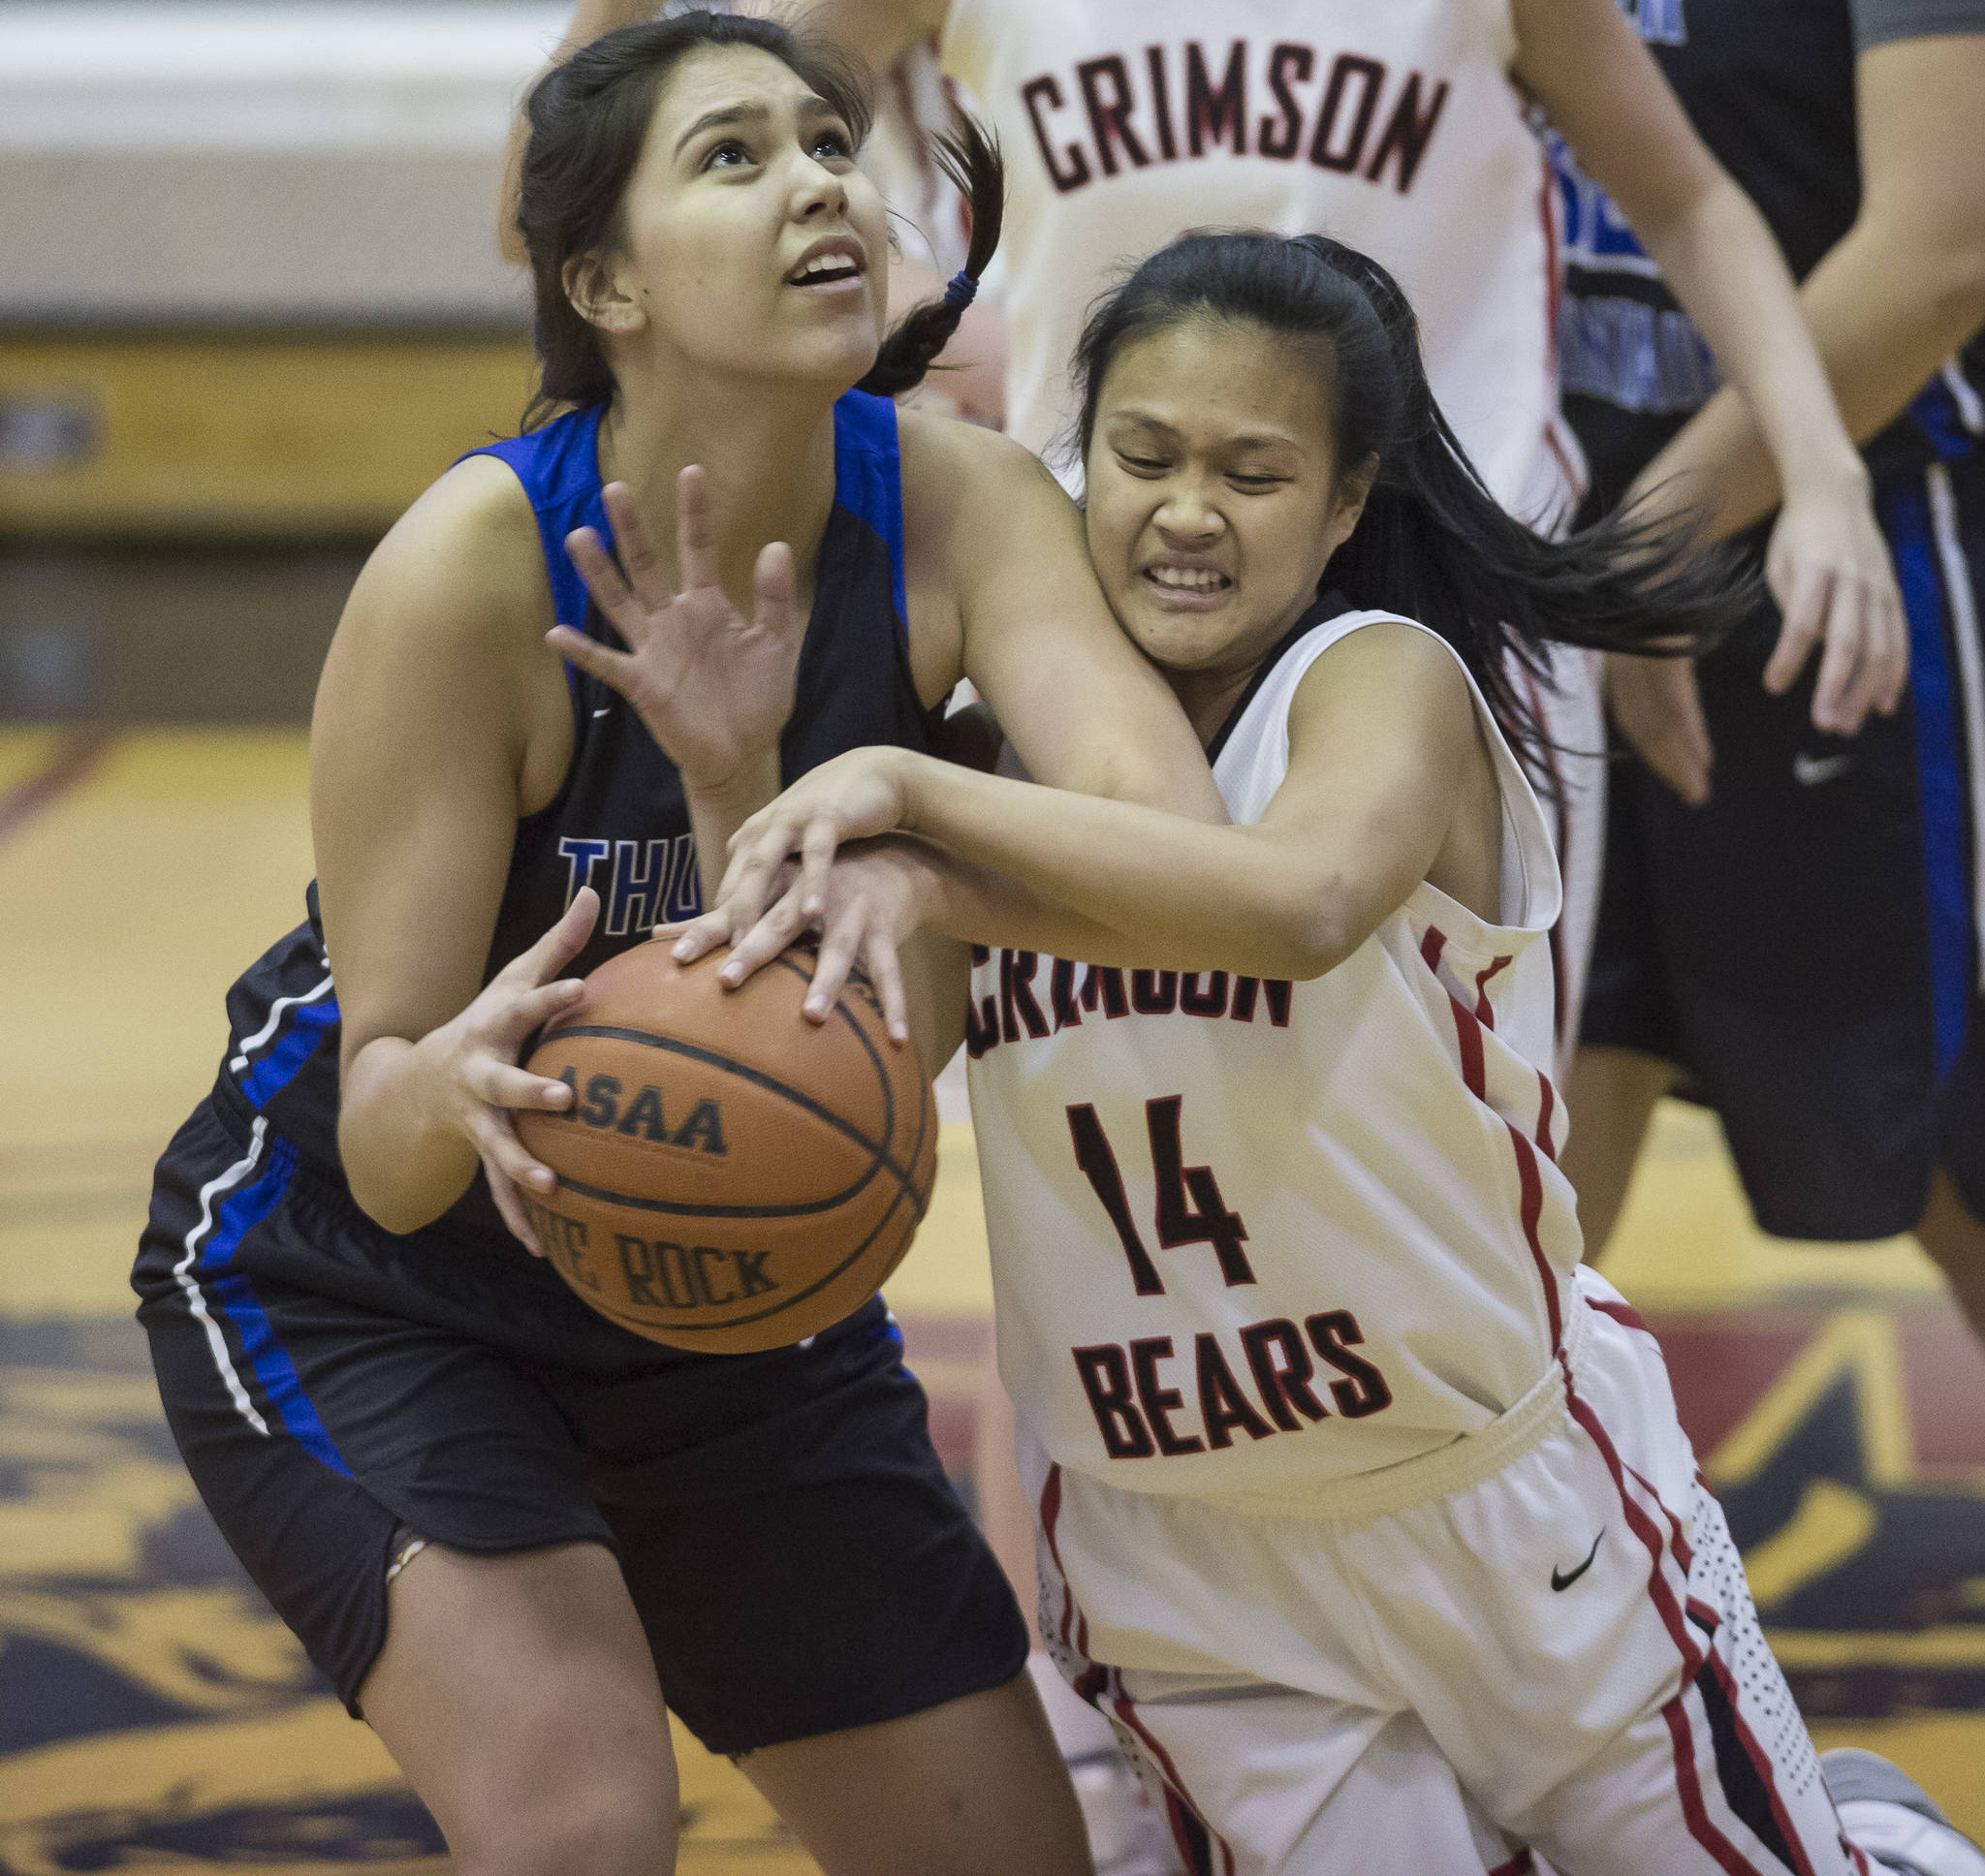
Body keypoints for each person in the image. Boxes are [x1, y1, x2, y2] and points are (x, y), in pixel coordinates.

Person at [674, 231, 1984, 1876]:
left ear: (1349, 502)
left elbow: (1298, 905)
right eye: (1142, 455)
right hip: (1185, 1553)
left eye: (1255, 469)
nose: (1188, 509)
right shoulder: (1002, 757)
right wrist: (741, 780)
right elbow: (864, 1060)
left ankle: (1876, 1841)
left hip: (1498, 1503)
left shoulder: (1378, 685)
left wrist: (913, 799)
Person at [130, 8, 1239, 1876]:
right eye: (733, 156)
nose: (816, 177)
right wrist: (471, 1083)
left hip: (726, 1289)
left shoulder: (962, 506)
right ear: (605, 282)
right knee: (580, 1823)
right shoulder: (473, 571)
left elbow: (1176, 856)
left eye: (828, 139)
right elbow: (397, 1136)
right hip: (367, 1283)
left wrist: (820, 801)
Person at [534, 0, 1905, 1068]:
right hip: (1111, 594)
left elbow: (1687, 200)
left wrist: (1825, 475)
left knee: (1474, 1125)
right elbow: (614, 186)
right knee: (1098, 1150)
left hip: (1431, 586)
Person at [1548, 0, 1985, 1337]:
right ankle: (1497, 1558)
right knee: (1529, 1132)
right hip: (1537, 565)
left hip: (1849, 562)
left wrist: (1656, 535)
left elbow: (1941, 252)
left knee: (1943, 1158)